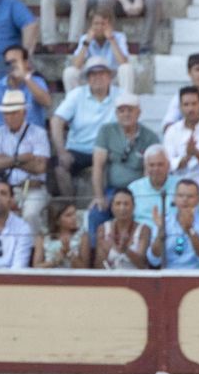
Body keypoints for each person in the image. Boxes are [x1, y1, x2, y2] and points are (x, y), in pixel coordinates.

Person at [50, 56, 119, 200]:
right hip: (78, 149)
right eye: (92, 74)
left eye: (101, 73)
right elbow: (56, 120)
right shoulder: (77, 95)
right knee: (59, 166)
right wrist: (62, 151)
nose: (97, 77)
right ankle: (70, 207)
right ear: (87, 78)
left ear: (109, 76)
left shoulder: (120, 95)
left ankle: (103, 205)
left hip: (107, 150)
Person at [89, 92, 156, 235]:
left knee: (144, 214)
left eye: (130, 110)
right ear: (116, 113)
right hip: (113, 190)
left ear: (138, 112)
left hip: (138, 192)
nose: (126, 114)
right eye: (121, 110)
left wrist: (143, 197)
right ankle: (96, 254)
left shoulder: (150, 137)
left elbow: (149, 171)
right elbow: (98, 166)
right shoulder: (106, 131)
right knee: (96, 214)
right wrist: (99, 196)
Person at [0, 89, 49, 231]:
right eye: (7, 113)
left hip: (32, 188)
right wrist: (22, 158)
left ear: (24, 113)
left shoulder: (39, 133)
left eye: (14, 112)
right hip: (5, 189)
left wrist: (6, 160)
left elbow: (40, 167)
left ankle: (32, 250)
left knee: (30, 215)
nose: (10, 117)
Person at [147, 178, 199, 270]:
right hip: (169, 276)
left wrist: (189, 230)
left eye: (190, 196)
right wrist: (161, 230)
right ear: (174, 198)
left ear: (198, 199)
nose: (185, 200)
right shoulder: (164, 221)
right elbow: (154, 260)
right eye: (180, 195)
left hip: (198, 276)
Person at [64, 6, 135, 95]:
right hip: (92, 79)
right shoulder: (85, 39)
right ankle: (74, 104)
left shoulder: (119, 37)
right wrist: (87, 43)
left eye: (103, 24)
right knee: (69, 72)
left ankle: (125, 103)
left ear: (110, 25)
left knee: (126, 69)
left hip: (112, 79)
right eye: (96, 24)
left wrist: (112, 40)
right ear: (91, 25)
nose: (99, 27)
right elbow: (76, 65)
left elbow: (123, 62)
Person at [94, 185, 150, 268]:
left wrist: (125, 250)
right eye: (118, 204)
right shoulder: (103, 229)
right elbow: (98, 266)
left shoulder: (144, 229)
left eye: (126, 204)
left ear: (133, 207)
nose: (122, 208)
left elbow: (142, 264)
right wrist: (106, 253)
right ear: (112, 207)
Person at [129, 143, 175, 242]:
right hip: (142, 238)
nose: (156, 169)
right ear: (145, 166)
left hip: (172, 236)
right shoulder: (134, 188)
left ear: (168, 165)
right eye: (151, 165)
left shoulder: (180, 187)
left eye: (160, 164)